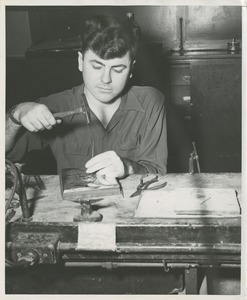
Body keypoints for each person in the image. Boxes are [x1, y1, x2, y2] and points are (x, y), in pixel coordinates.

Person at [6, 14, 167, 184]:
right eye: (97, 66)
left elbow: (158, 172)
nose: (106, 79)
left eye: (118, 69)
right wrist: (16, 114)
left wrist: (128, 167)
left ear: (132, 69)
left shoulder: (151, 101)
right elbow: (6, 152)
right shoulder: (54, 106)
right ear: (81, 61)